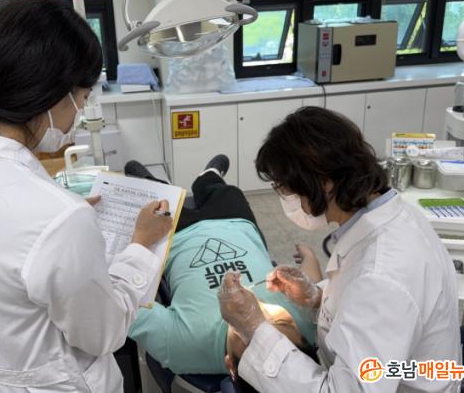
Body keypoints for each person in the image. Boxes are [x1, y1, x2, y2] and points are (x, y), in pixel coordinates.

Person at [0, 0, 173, 393]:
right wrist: (140, 245)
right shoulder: (56, 218)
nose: (80, 112)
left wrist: (61, 226)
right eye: (83, 98)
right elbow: (103, 333)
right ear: (53, 95)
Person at [218, 107, 461, 392]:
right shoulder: (385, 218)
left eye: (286, 189)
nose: (287, 199)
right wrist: (317, 297)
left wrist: (254, 329)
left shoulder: (382, 275)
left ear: (324, 182)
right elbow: (363, 306)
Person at [123, 157, 319, 377]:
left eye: (245, 333)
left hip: (177, 235)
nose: (253, 308)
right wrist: (310, 257)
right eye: (278, 322)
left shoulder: (182, 346)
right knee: (228, 193)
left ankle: (151, 181)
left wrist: (139, 241)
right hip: (237, 224)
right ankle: (209, 177)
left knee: (161, 200)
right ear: (304, 339)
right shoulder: (307, 325)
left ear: (230, 365)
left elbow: (121, 303)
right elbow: (316, 287)